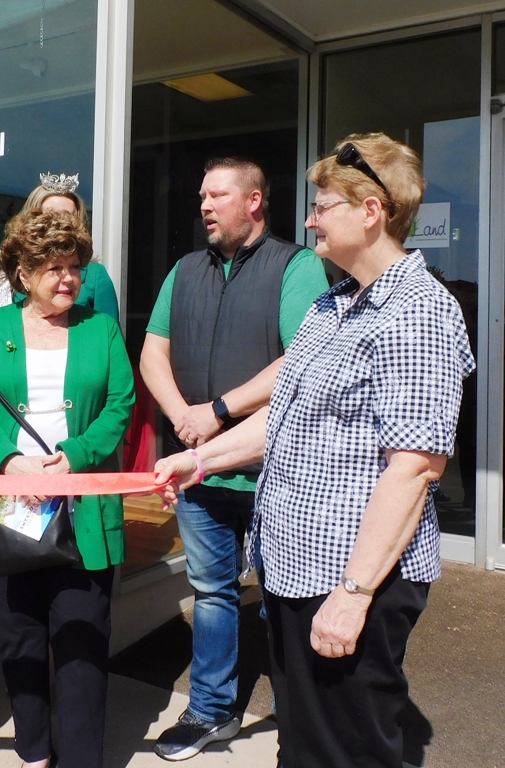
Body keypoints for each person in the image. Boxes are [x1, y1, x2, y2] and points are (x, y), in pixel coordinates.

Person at [152, 133, 474, 768]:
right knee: (302, 744)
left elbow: (413, 469)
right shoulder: (333, 305)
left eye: (323, 206)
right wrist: (200, 460)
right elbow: (284, 416)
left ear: (371, 211)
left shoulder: (418, 312)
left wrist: (353, 595)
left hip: (351, 581)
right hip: (296, 572)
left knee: (346, 750)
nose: (308, 220)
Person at [139, 156, 329, 761]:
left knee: (286, 601)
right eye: (201, 195)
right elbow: (153, 352)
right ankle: (210, 710)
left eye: (217, 195)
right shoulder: (184, 270)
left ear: (253, 201)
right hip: (201, 469)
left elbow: (302, 358)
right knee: (212, 592)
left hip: (277, 472)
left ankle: (303, 722)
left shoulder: (296, 266)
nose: (204, 205)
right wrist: (183, 417)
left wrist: (217, 412)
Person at [0, 208, 135, 768]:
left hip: (84, 511)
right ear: (23, 274)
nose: (68, 278)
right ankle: (34, 754)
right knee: (20, 639)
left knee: (82, 645)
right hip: (9, 506)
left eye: (74, 266)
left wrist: (73, 458)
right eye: (54, 268)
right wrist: (12, 462)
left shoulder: (100, 328)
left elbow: (120, 406)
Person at [0, 173, 119, 321]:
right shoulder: (10, 277)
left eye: (69, 216)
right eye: (52, 214)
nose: (61, 222)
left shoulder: (95, 276)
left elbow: (108, 329)